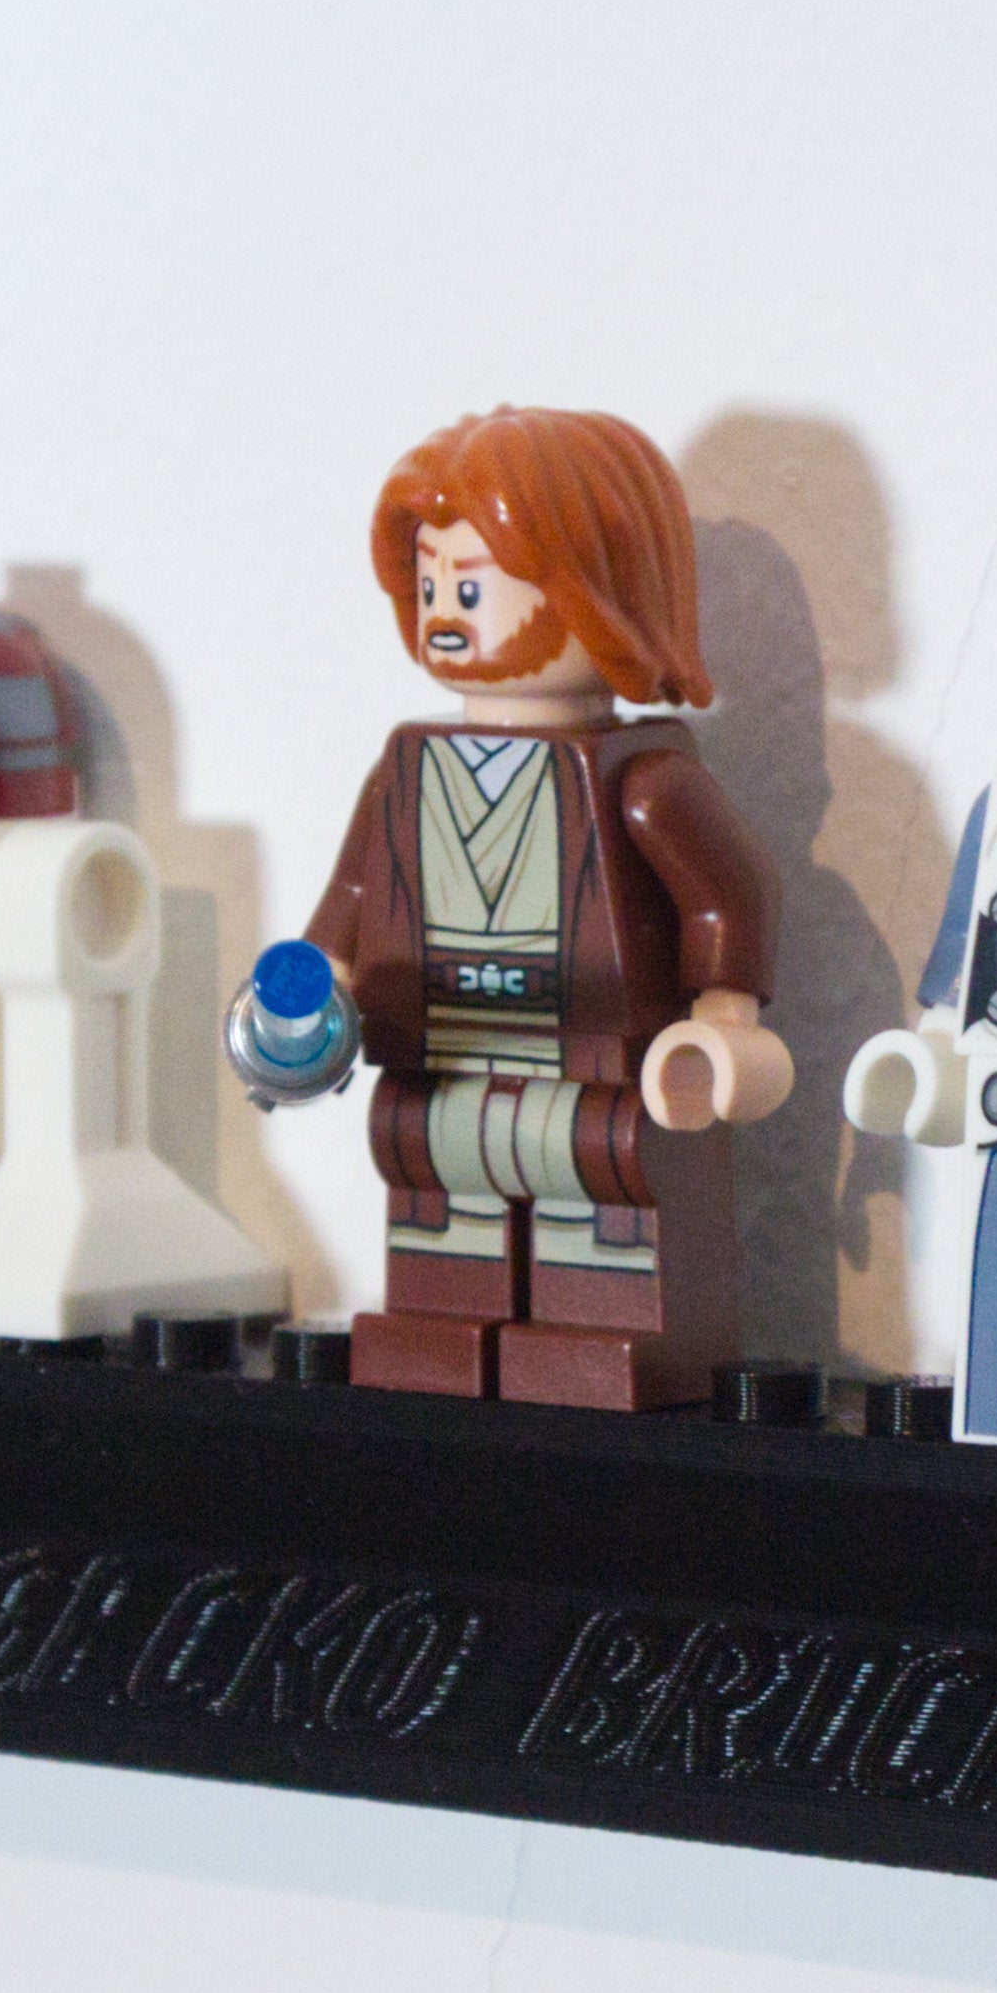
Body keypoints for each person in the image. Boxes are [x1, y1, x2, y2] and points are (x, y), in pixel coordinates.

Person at [233, 407, 790, 1410]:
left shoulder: (643, 780)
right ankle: (441, 1324)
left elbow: (729, 892)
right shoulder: (408, 771)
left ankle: (602, 1333)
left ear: (600, 592)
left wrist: (723, 1016)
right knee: (431, 1174)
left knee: (602, 1181)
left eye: (473, 585)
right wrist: (319, 989)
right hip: (438, 1053)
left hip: (595, 1064)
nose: (446, 613)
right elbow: (355, 893)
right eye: (432, 586)